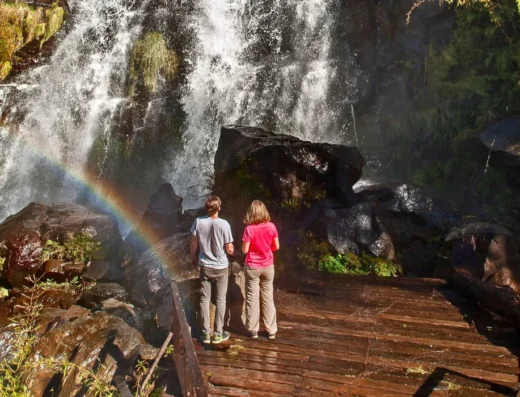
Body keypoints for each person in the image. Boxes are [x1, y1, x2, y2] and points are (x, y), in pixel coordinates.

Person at [191, 195, 234, 344]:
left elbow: (194, 243)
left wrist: (193, 258)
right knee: (220, 299)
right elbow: (229, 248)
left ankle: (205, 333)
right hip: (221, 267)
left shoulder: (198, 222)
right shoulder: (225, 224)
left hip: (205, 266)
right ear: (219, 207)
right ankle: (218, 333)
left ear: (206, 208)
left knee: (204, 299)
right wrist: (232, 250)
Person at [242, 200, 280, 340]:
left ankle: (253, 330)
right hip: (268, 265)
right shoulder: (271, 227)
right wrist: (266, 250)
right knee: (268, 297)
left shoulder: (249, 229)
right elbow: (276, 246)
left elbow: (245, 250)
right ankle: (271, 330)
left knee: (252, 298)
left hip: (253, 266)